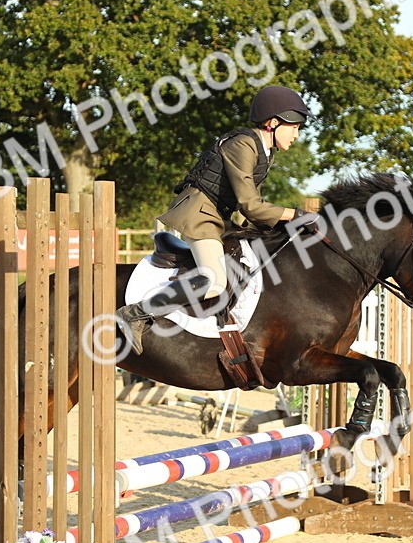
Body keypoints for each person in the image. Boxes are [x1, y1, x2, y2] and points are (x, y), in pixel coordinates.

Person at [115, 85, 320, 355]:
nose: (297, 134)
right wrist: (295, 214)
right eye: (294, 126)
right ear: (273, 123)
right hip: (199, 213)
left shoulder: (264, 151)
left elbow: (251, 208)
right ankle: (137, 313)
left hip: (218, 216)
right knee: (213, 282)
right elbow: (251, 205)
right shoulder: (243, 145)